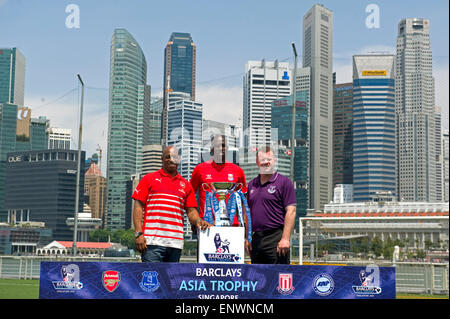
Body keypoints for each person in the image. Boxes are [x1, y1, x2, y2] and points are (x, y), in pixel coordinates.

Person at [132, 145, 210, 262]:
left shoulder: (186, 185)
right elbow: (138, 207)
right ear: (162, 159)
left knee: (170, 280)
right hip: (152, 243)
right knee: (151, 279)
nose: (171, 159)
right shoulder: (149, 179)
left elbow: (191, 211)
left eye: (174, 157)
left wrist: (199, 221)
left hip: (175, 244)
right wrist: (138, 234)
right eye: (167, 157)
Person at [190, 134, 249, 250]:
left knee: (232, 266)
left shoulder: (237, 170)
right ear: (211, 149)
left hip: (233, 227)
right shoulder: (200, 169)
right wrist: (194, 220)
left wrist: (244, 227)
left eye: (223, 145)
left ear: (227, 148)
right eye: (217, 146)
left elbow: (243, 201)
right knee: (206, 266)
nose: (221, 148)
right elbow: (189, 197)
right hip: (206, 226)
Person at [247, 145, 297, 264]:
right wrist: (247, 238)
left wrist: (285, 239)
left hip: (276, 238)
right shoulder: (251, 185)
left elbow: (291, 211)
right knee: (257, 278)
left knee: (278, 279)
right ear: (257, 162)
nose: (266, 163)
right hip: (256, 239)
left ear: (275, 161)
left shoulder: (284, 182)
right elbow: (247, 213)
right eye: (262, 160)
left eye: (269, 159)